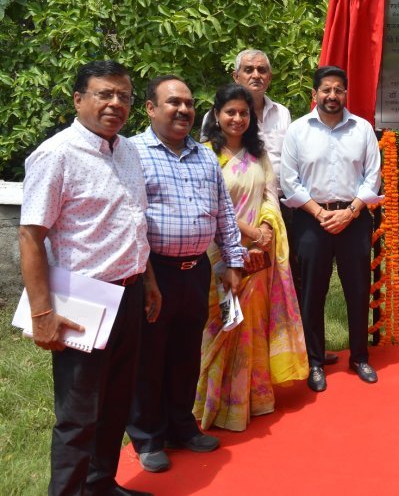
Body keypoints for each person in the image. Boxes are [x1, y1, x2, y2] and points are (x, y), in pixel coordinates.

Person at [19, 60, 158, 496]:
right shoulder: (56, 154)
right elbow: (30, 235)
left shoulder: (128, 150)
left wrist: (149, 281)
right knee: (78, 414)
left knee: (116, 403)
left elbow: (135, 222)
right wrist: (43, 312)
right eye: (105, 94)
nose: (116, 103)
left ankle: (100, 485)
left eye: (124, 96)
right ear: (79, 100)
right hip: (83, 300)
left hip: (130, 294)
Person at [127, 76, 245, 473]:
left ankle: (182, 426)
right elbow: (130, 219)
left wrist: (232, 262)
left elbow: (224, 212)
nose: (183, 110)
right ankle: (148, 436)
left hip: (197, 269)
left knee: (184, 353)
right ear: (150, 108)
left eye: (189, 104)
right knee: (150, 356)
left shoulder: (204, 155)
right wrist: (145, 276)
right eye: (173, 102)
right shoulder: (133, 153)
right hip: (153, 272)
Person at [194, 84, 308, 431]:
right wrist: (250, 232)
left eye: (244, 113)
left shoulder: (258, 155)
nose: (238, 118)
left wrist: (267, 229)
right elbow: (211, 207)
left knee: (251, 327)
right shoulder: (204, 155)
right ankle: (211, 402)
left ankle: (250, 400)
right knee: (220, 326)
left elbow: (270, 195)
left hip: (257, 257)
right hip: (219, 256)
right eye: (230, 111)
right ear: (216, 115)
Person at [216, 48, 340, 366]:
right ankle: (231, 357)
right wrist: (247, 226)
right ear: (236, 76)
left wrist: (271, 222)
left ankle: (302, 350)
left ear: (270, 77)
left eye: (262, 70)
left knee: (290, 283)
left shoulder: (282, 113)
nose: (256, 75)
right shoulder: (217, 115)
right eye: (249, 69)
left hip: (280, 209)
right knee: (232, 284)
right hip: (235, 218)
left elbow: (287, 163)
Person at [280, 65, 382, 392]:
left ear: (345, 94)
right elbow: (289, 181)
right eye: (326, 90)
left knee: (357, 290)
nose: (332, 95)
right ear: (315, 94)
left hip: (353, 218)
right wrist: (319, 213)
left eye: (338, 89)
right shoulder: (297, 131)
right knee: (312, 293)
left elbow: (372, 177)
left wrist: (350, 213)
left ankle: (359, 356)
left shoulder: (362, 129)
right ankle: (314, 360)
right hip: (312, 220)